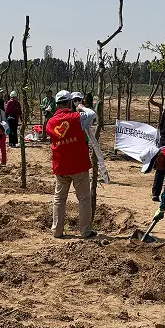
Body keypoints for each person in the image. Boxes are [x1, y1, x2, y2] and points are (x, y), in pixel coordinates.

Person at [45, 90, 97, 239]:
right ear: (69, 103)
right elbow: (92, 115)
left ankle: (57, 231)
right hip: (78, 165)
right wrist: (80, 107)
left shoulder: (50, 123)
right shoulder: (77, 118)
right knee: (84, 199)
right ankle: (86, 231)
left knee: (59, 199)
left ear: (56, 104)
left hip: (61, 166)